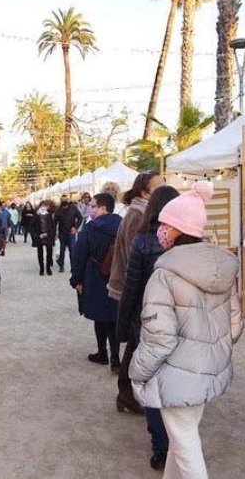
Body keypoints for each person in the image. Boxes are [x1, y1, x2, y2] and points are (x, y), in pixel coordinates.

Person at [130, 181, 242, 479]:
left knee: (185, 444)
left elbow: (159, 339)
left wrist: (137, 373)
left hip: (176, 372)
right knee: (183, 437)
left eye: (165, 224)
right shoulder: (222, 268)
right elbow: (234, 323)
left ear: (178, 228)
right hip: (207, 368)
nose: (160, 229)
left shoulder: (164, 275)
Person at [116, 185, 179, 471]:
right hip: (181, 322)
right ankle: (177, 440)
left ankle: (160, 448)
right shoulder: (190, 242)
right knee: (176, 382)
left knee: (153, 384)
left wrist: (124, 326)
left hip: (149, 322)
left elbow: (131, 289)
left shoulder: (142, 241)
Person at [109, 172, 165, 413]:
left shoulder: (140, 214)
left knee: (135, 344)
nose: (165, 191)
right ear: (145, 192)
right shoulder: (138, 216)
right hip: (132, 291)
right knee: (136, 345)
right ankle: (126, 392)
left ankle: (126, 393)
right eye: (159, 187)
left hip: (133, 290)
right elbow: (137, 262)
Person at [70, 193, 123, 372]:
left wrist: (76, 279)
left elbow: (78, 255)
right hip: (117, 277)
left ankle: (102, 353)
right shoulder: (122, 225)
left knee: (100, 317)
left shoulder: (91, 229)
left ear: (103, 208)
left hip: (95, 276)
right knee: (113, 318)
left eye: (93, 206)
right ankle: (116, 359)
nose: (90, 209)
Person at [54, 195, 83, 273]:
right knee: (62, 250)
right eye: (62, 200)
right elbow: (54, 222)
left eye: (65, 199)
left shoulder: (73, 208)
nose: (64, 201)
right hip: (62, 233)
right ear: (61, 201)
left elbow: (80, 218)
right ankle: (61, 266)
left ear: (68, 200)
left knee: (72, 250)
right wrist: (55, 233)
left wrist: (76, 227)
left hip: (71, 232)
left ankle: (73, 267)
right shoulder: (58, 210)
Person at [31, 200, 56, 276]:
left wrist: (52, 235)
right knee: (40, 253)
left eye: (44, 206)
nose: (43, 207)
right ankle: (41, 268)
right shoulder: (36, 215)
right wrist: (35, 235)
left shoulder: (49, 214)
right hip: (39, 236)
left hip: (48, 236)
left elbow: (53, 226)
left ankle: (48, 268)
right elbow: (32, 226)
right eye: (42, 206)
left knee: (49, 253)